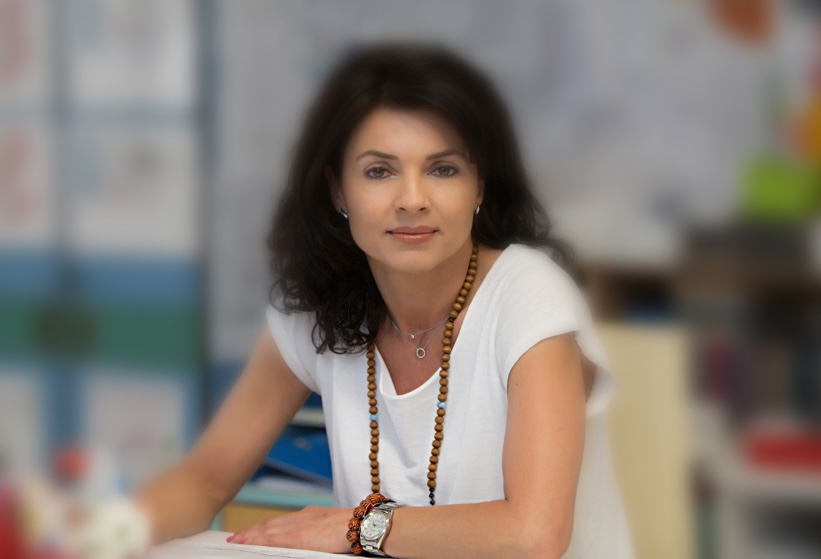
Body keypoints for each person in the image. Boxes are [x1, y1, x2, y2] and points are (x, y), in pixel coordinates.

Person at [137, 42, 634, 559]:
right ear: (337, 191)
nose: (412, 200)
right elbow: (203, 481)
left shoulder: (529, 293)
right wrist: (107, 531)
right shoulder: (317, 308)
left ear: (479, 187)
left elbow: (533, 534)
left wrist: (355, 527)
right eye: (379, 171)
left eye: (443, 169)